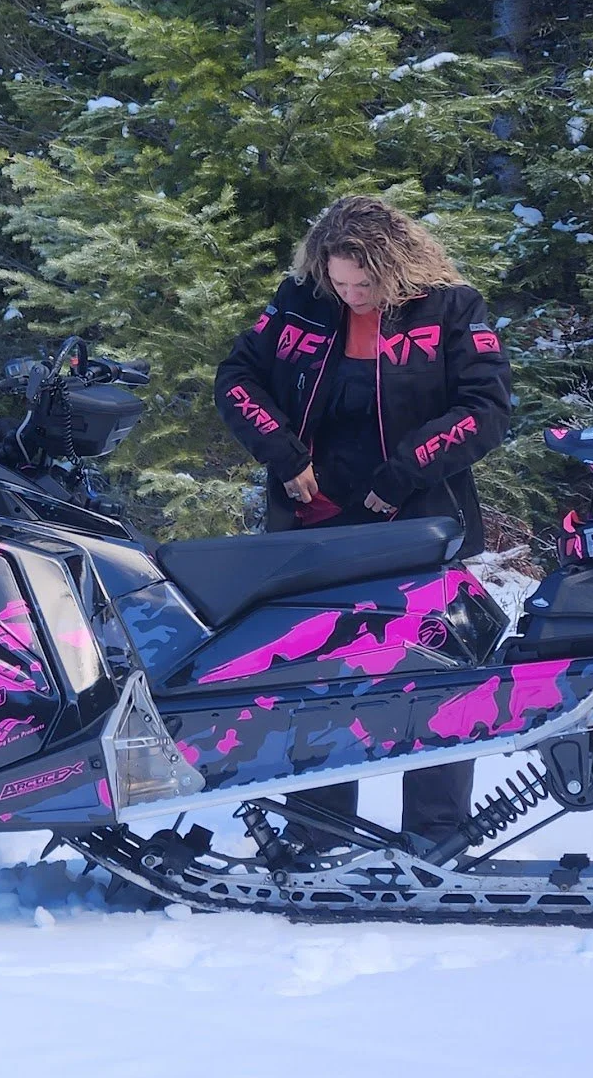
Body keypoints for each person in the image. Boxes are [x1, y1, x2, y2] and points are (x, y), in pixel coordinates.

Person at [213, 195, 512, 845]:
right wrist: (282, 453)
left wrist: (401, 475)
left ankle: (438, 836)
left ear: (397, 267)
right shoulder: (300, 298)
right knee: (312, 683)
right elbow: (237, 378)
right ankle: (316, 835)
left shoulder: (451, 308)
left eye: (364, 283)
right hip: (311, 534)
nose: (350, 294)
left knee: (435, 680)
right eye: (339, 281)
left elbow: (486, 407)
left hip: (417, 527)